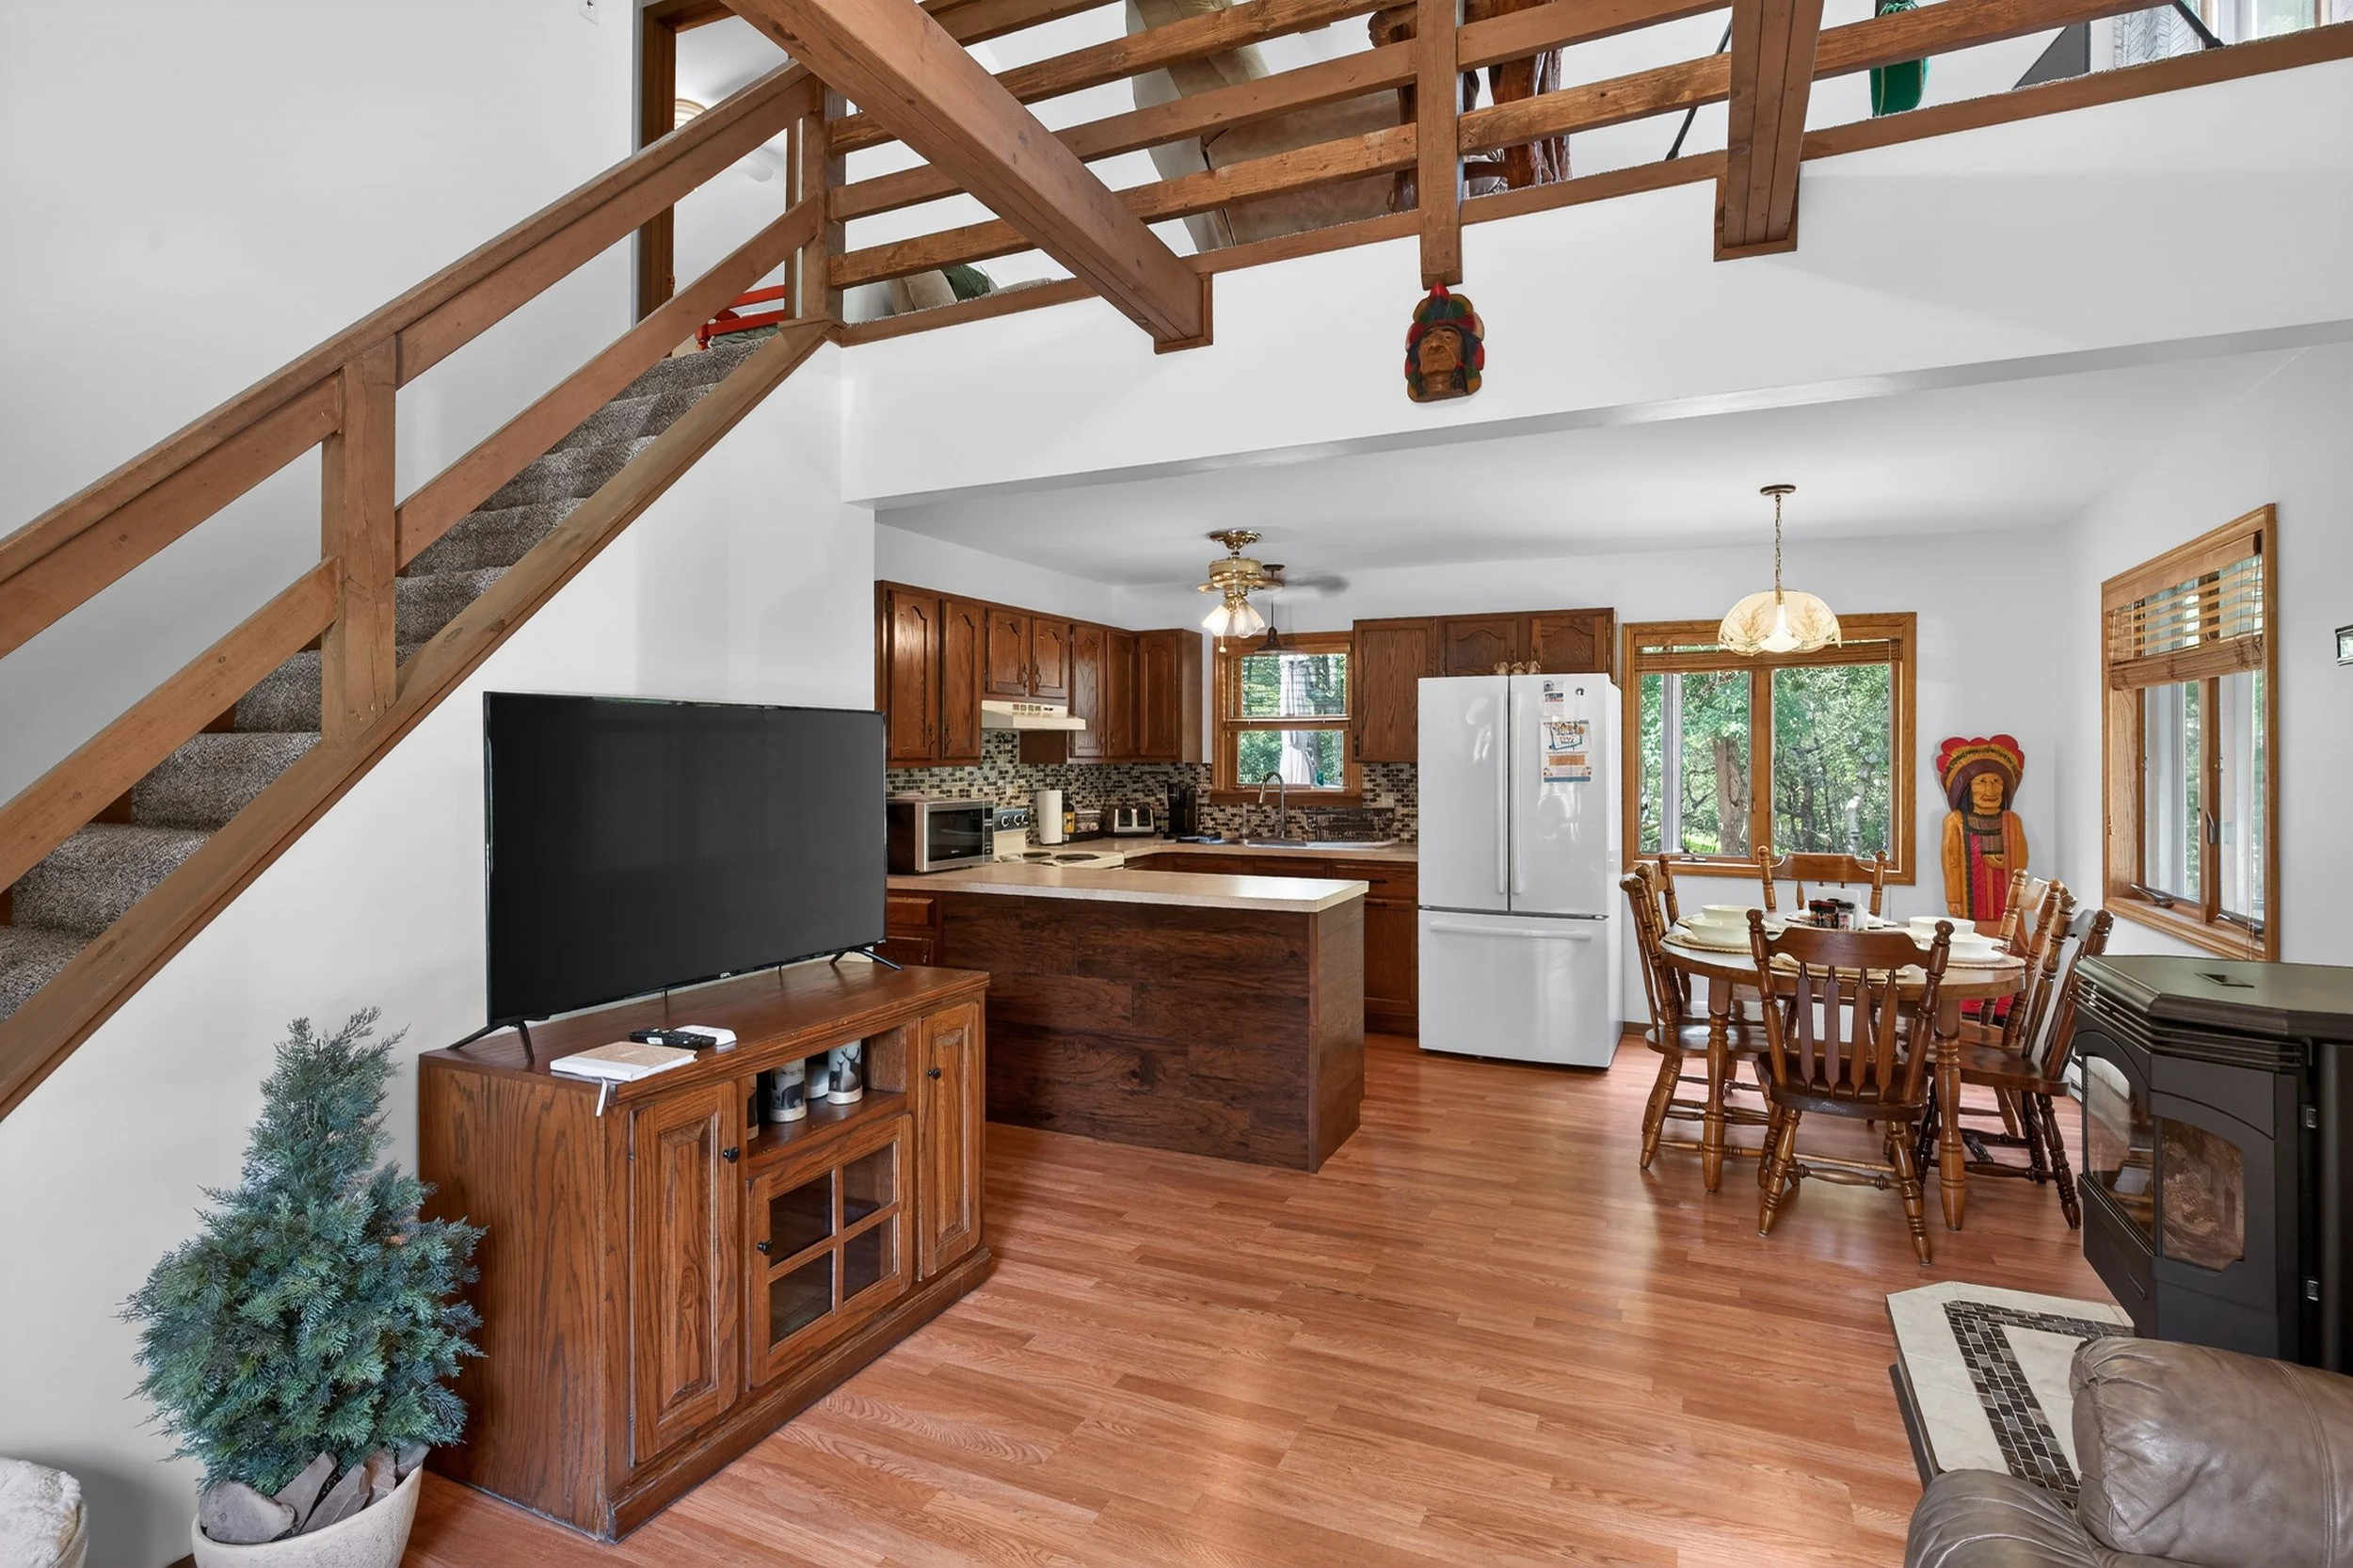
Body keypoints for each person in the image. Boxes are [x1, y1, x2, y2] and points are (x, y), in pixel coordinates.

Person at [1937, 735, 2027, 923]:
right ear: (1968, 788)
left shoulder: (2012, 821)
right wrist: (1953, 899)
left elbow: (2020, 861)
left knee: (2005, 932)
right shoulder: (1955, 821)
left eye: (1996, 782)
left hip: (2005, 899)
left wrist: (2004, 862)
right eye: (1982, 782)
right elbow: (1951, 863)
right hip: (1970, 902)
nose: (1989, 790)